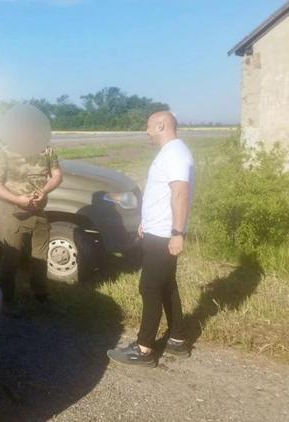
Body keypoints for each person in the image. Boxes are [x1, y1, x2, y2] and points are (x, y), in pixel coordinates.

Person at [107, 111, 194, 367]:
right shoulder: (170, 152)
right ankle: (177, 340)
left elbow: (180, 194)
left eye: (148, 127)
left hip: (165, 234)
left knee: (149, 287)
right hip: (158, 230)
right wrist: (147, 221)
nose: (146, 131)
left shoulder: (176, 153)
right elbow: (161, 192)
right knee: (167, 285)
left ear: (161, 125)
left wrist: (177, 234)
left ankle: (144, 349)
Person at [0, 104, 63, 312]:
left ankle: (41, 295)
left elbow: (57, 175)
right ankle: (7, 300)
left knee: (40, 257)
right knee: (11, 259)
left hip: (38, 212)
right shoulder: (4, 154)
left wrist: (45, 190)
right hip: (13, 213)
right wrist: (17, 199)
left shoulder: (46, 151)